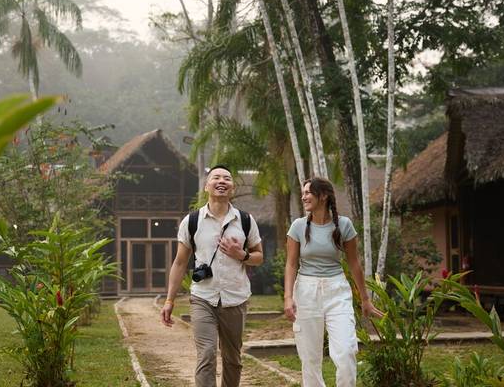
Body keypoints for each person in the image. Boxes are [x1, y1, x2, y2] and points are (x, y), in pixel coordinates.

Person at [160, 165, 264, 387]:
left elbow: (259, 257)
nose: (221, 181)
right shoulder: (192, 221)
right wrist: (169, 300)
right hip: (203, 298)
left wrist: (241, 254)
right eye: (216, 177)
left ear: (232, 188)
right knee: (206, 355)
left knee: (233, 360)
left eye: (227, 178)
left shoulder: (245, 220)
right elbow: (179, 262)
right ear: (207, 186)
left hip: (235, 298)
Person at [284, 177, 383, 387]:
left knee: (347, 352)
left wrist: (366, 300)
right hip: (306, 291)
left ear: (324, 196)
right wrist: (288, 298)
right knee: (310, 359)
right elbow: (291, 264)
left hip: (337, 290)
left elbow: (355, 264)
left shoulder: (344, 225)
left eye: (308, 192)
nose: (303, 197)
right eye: (303, 193)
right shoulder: (298, 227)